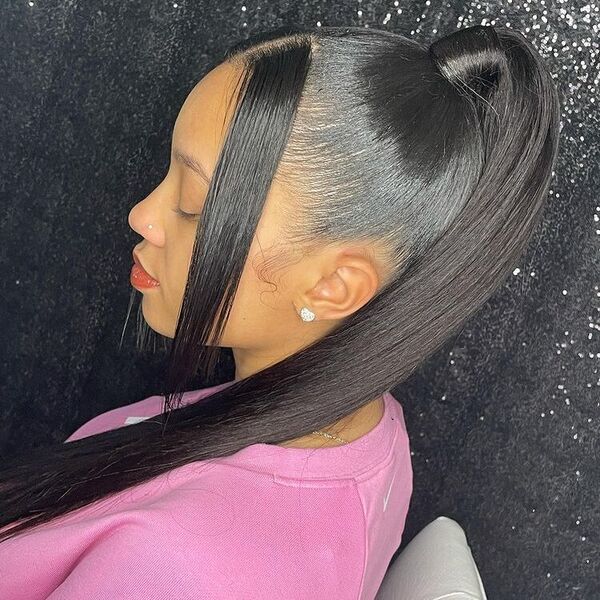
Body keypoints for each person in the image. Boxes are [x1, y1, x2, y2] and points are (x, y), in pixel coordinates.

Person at [0, 23, 560, 599]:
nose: (142, 215)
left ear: (333, 287)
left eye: (193, 204)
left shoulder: (175, 566)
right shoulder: (372, 432)